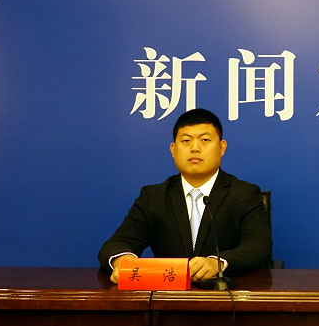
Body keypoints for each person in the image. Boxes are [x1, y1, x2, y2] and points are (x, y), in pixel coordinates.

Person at [98, 108, 272, 283]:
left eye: (205, 140)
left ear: (221, 148)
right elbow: (116, 245)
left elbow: (259, 247)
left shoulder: (244, 194)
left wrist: (218, 263)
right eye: (186, 141)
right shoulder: (153, 197)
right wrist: (123, 261)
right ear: (173, 150)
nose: (195, 148)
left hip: (225, 293)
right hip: (168, 295)